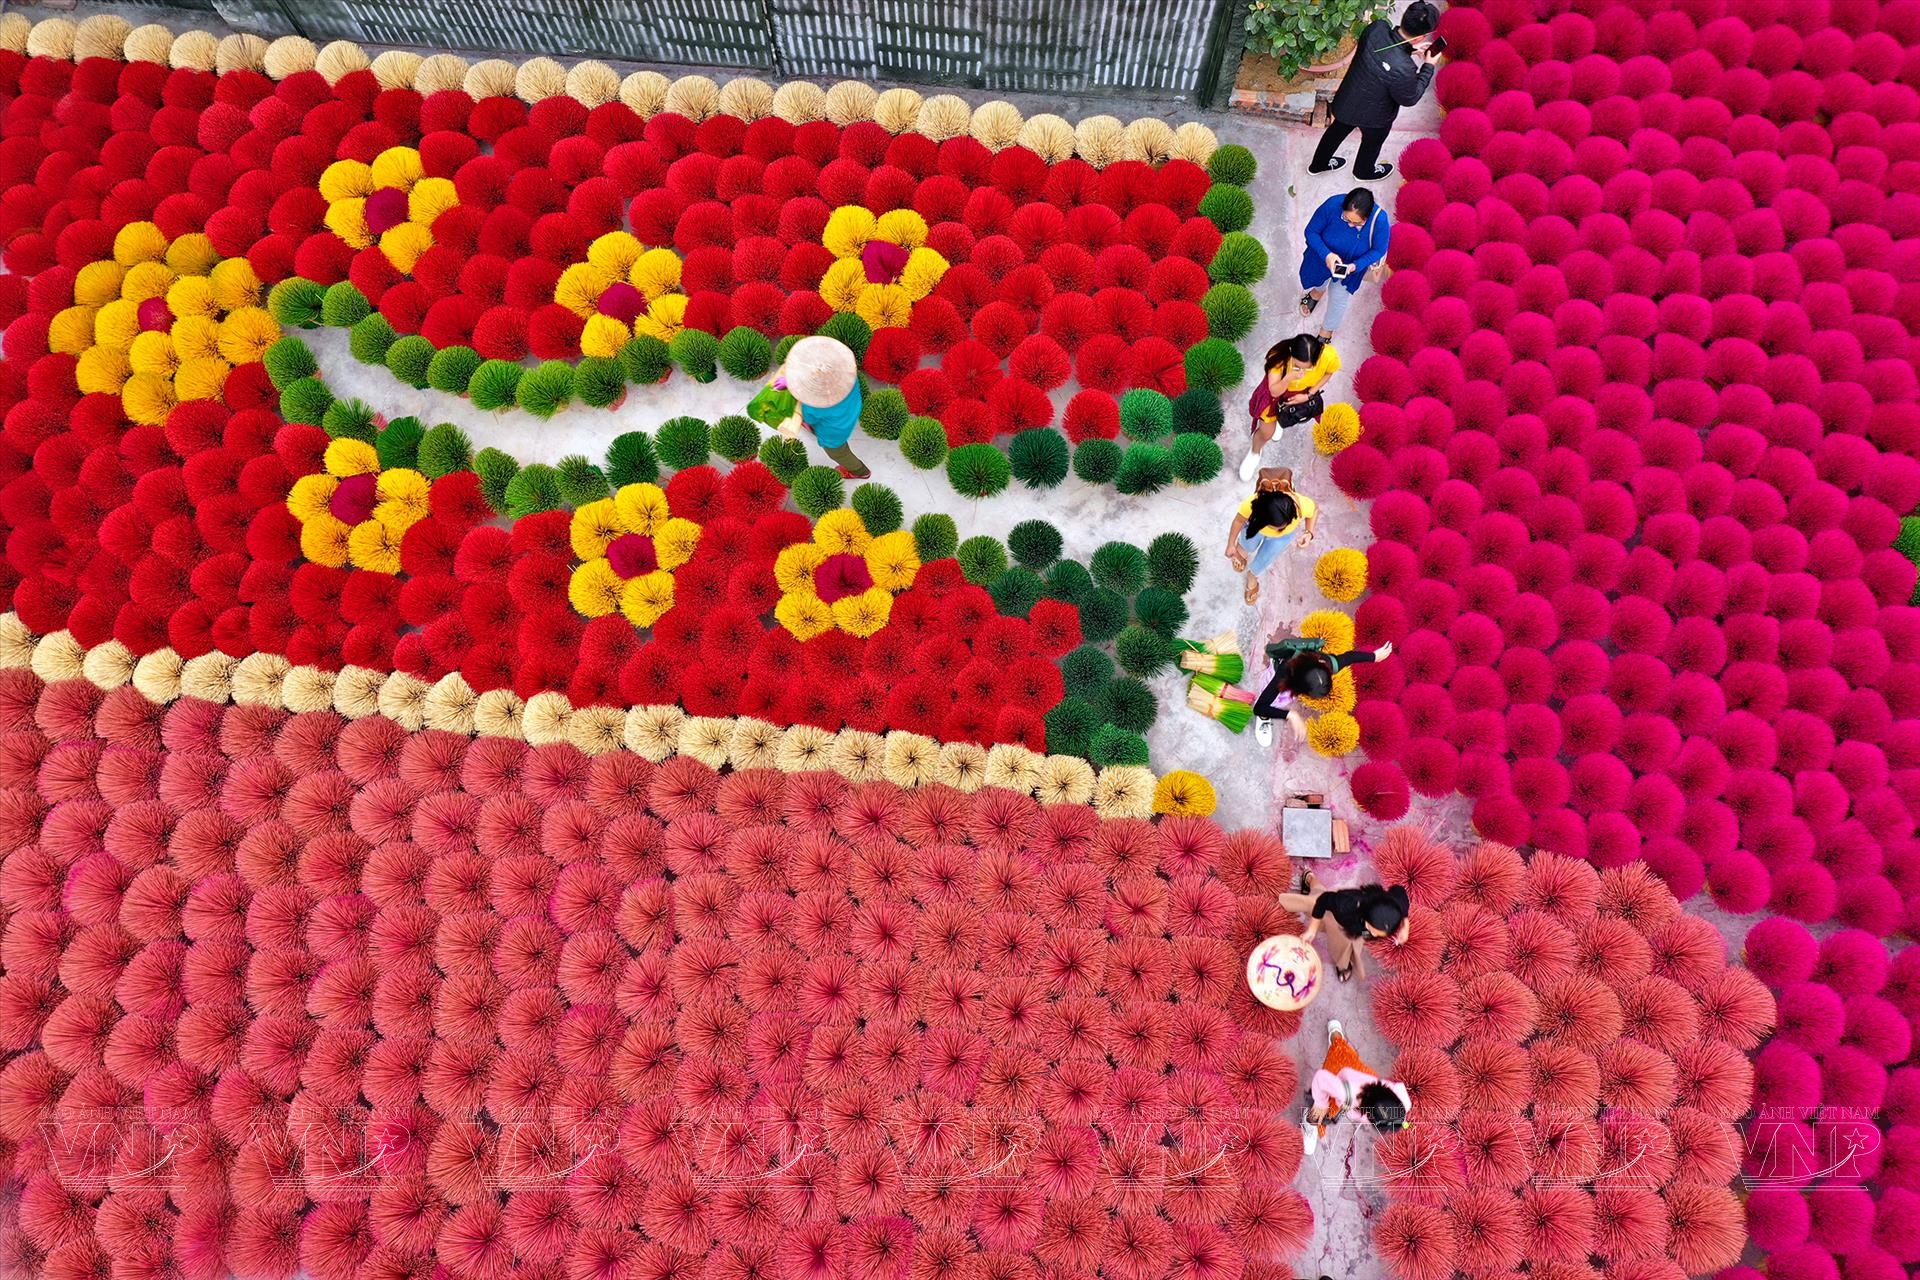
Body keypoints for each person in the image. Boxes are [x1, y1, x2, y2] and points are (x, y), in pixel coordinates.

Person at [1309, 0, 1442, 181]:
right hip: (1376, 117)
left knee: (1335, 132)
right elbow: (1410, 98)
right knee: (1371, 144)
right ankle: (1363, 172)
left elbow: (1381, 55)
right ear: (1421, 37)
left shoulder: (1376, 28)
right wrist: (1428, 66)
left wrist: (1408, 49)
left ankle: (1317, 165)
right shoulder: (1404, 68)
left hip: (1347, 101)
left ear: (1404, 17)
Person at [1251, 638, 1395, 747]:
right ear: (1299, 687)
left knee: (1279, 701)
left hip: (1293, 681)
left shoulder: (1326, 663)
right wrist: (1291, 715)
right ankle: (1265, 717)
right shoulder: (1283, 675)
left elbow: (1349, 657)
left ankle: (1272, 709)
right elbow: (1258, 708)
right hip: (1276, 682)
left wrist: (1374, 657)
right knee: (1270, 702)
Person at [1299, 1018, 1412, 1155]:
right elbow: (1320, 1078)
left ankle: (1336, 1034)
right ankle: (1310, 1120)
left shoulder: (1404, 1102)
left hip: (1359, 1071)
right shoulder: (1344, 1092)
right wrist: (1320, 1104)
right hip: (1338, 1073)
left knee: (1343, 1051)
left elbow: (1399, 1087)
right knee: (1323, 1110)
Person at [1276, 869, 1411, 983]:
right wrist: (1312, 929)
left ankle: (1344, 964)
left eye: (1379, 934)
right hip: (1337, 920)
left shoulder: (1395, 906)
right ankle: (1309, 877)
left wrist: (1405, 926)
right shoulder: (1345, 905)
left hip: (1355, 928)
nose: (1373, 935)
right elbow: (1324, 900)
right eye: (1371, 929)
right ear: (1364, 915)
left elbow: (1400, 892)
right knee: (1318, 896)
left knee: (1350, 944)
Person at [1240, 335, 1341, 481]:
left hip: (1300, 395)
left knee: (1287, 417)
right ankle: (1254, 452)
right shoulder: (1278, 357)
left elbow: (1329, 372)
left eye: (1308, 368)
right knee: (1266, 432)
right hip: (1276, 395)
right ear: (1291, 352)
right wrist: (1288, 377)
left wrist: (1309, 395)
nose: (1302, 372)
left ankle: (1280, 422)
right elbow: (1274, 390)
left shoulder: (1328, 355)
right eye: (1298, 366)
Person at [1299, 188, 1390, 341]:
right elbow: (1311, 232)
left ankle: (1326, 330)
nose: (1350, 225)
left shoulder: (1379, 221)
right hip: (1322, 256)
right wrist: (1326, 254)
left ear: (1367, 216)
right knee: (1319, 277)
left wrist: (1357, 265)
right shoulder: (1332, 205)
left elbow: (1378, 250)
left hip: (1350, 268)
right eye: (1346, 219)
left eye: (1357, 223)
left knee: (1338, 299)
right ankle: (1318, 292)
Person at [778, 335, 870, 478]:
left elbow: (808, 418)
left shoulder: (814, 406)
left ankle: (859, 471)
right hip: (849, 410)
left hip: (834, 433)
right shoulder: (848, 376)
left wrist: (791, 387)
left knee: (839, 453)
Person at [1225, 467, 1317, 606]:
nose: (1280, 529)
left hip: (1282, 539)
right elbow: (1239, 521)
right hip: (1255, 529)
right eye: (1276, 527)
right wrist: (1231, 544)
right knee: (1247, 544)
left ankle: (1252, 576)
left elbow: (1314, 511)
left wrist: (1308, 533)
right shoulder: (1251, 504)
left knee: (1265, 559)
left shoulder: (1300, 504)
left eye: (1285, 524)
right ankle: (1241, 552)